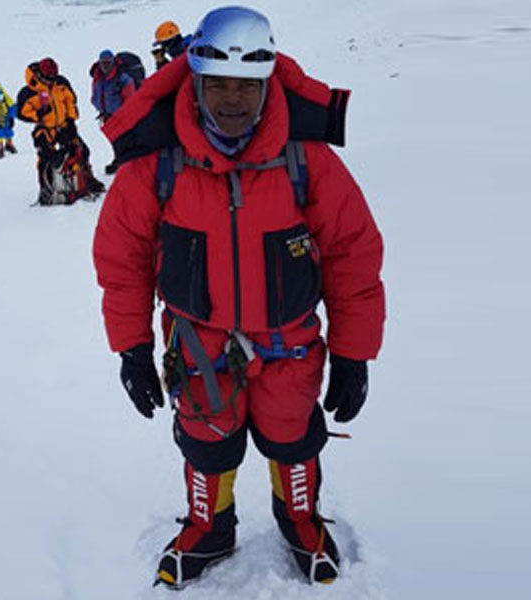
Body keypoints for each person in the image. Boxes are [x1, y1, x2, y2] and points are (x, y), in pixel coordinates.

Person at [93, 6, 385, 589]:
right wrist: (132, 349)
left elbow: (353, 254)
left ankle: (300, 519)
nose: (233, 99)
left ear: (268, 83)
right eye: (218, 85)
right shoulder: (157, 163)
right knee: (206, 441)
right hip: (197, 343)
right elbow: (123, 261)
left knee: (293, 434)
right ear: (195, 82)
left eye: (247, 85)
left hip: (289, 342)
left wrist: (354, 354)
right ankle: (210, 527)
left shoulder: (306, 158)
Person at [17, 57, 104, 204]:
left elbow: (70, 101)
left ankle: (88, 180)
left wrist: (71, 120)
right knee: (46, 158)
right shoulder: (29, 91)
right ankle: (46, 190)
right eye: (48, 78)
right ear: (40, 75)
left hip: (64, 125)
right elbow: (21, 112)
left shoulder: (61, 83)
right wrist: (39, 115)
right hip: (45, 128)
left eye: (54, 78)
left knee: (82, 151)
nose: (51, 81)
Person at [90, 49, 136, 174]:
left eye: (108, 62)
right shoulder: (98, 77)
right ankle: (121, 160)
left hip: (120, 116)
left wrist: (126, 113)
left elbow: (129, 97)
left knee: (123, 139)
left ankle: (125, 161)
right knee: (115, 139)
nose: (105, 66)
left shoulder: (122, 78)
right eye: (103, 63)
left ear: (113, 62)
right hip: (106, 115)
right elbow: (96, 92)